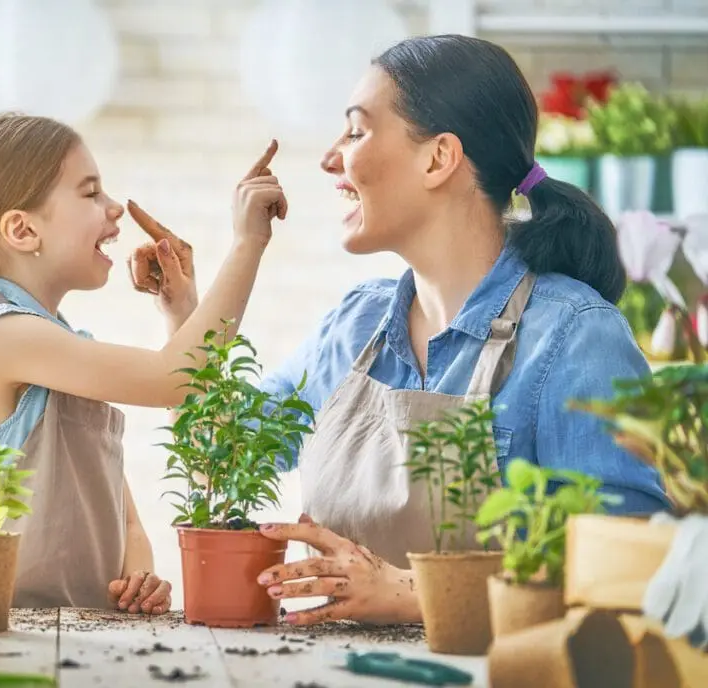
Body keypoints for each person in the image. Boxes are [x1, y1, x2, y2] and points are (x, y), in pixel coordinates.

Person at [128, 35, 670, 625]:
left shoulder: (575, 335)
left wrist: (413, 594)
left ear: (438, 158)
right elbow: (220, 460)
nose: (330, 159)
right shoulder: (358, 323)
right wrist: (187, 308)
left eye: (356, 132)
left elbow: (632, 572)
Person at [0, 113, 287, 613]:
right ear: (22, 230)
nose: (114, 210)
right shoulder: (1, 336)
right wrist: (248, 243)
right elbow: (175, 379)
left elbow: (126, 526)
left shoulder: (58, 347)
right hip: (7, 645)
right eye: (90, 194)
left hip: (72, 641)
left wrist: (140, 576)